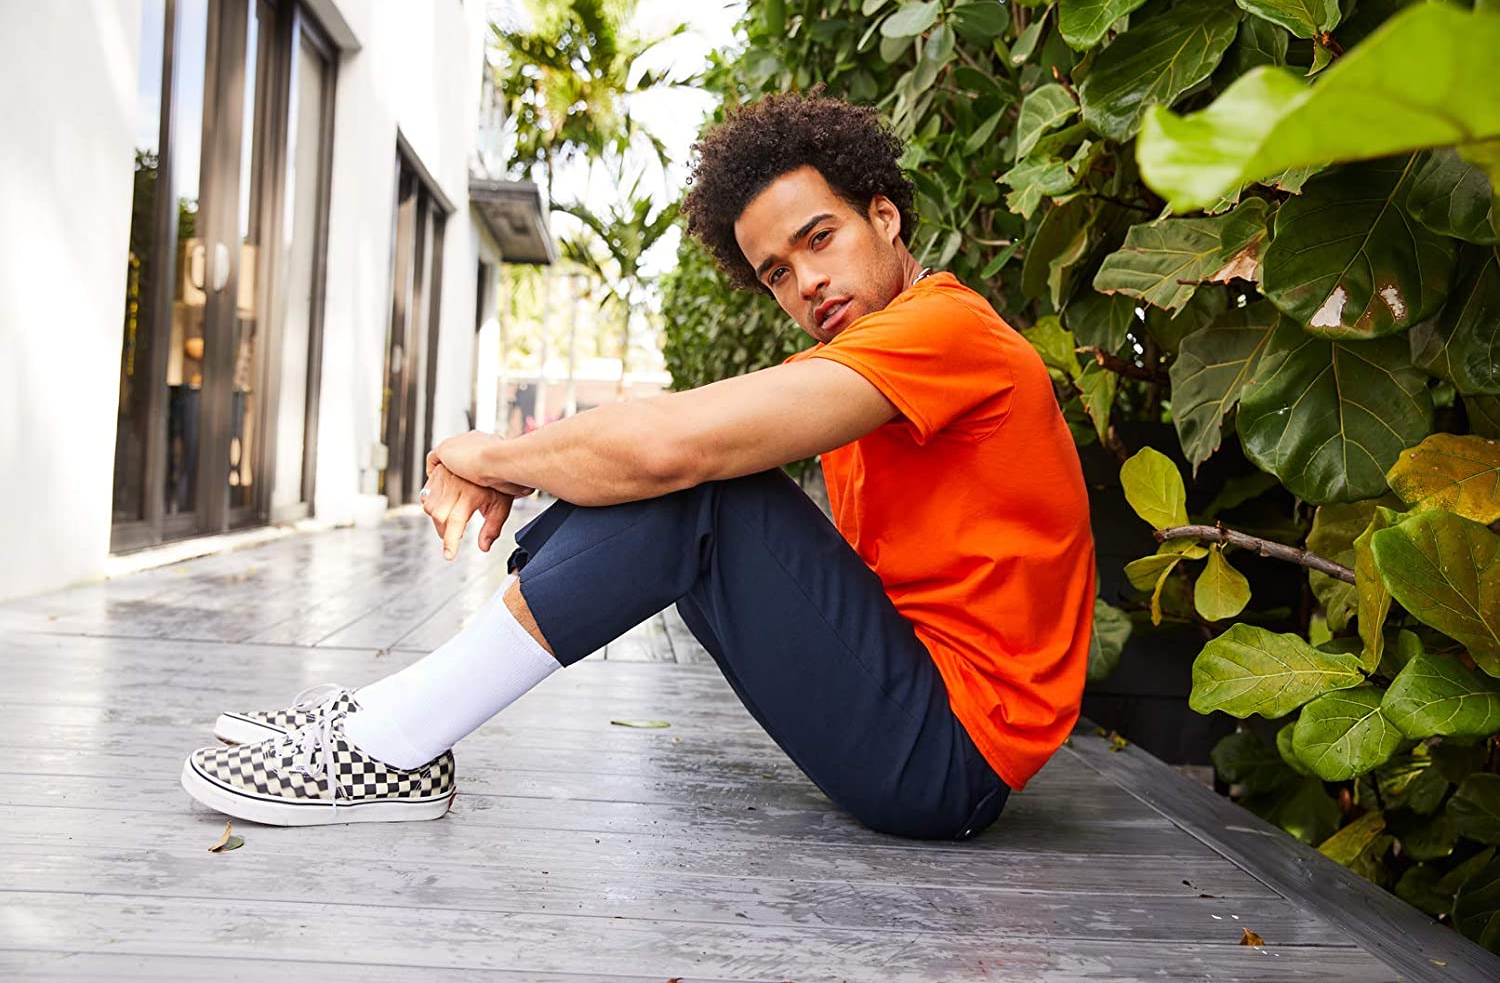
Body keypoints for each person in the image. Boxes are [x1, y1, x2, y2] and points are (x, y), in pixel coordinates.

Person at [179, 91, 1096, 840]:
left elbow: (668, 446)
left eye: (819, 239)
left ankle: (392, 740)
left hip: (951, 759)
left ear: (884, 217)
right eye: (777, 273)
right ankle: (387, 720)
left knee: (700, 487)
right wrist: (525, 465)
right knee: (684, 477)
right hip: (916, 708)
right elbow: (655, 446)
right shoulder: (863, 357)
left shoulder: (944, 330)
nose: (806, 282)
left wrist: (488, 456)